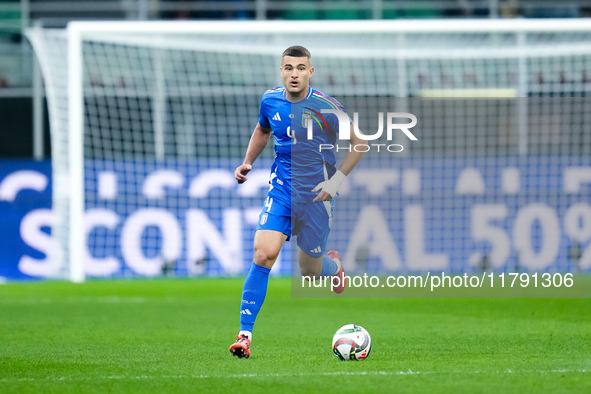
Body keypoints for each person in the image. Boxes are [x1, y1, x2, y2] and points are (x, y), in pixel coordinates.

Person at [229, 46, 366, 359]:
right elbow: (263, 129)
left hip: (317, 198)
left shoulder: (326, 107)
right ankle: (244, 335)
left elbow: (361, 143)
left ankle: (334, 267)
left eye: (301, 68)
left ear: (311, 72)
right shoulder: (270, 100)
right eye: (288, 67)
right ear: (281, 71)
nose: (294, 74)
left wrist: (335, 182)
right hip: (281, 192)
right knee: (264, 254)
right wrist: (247, 162)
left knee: (309, 272)